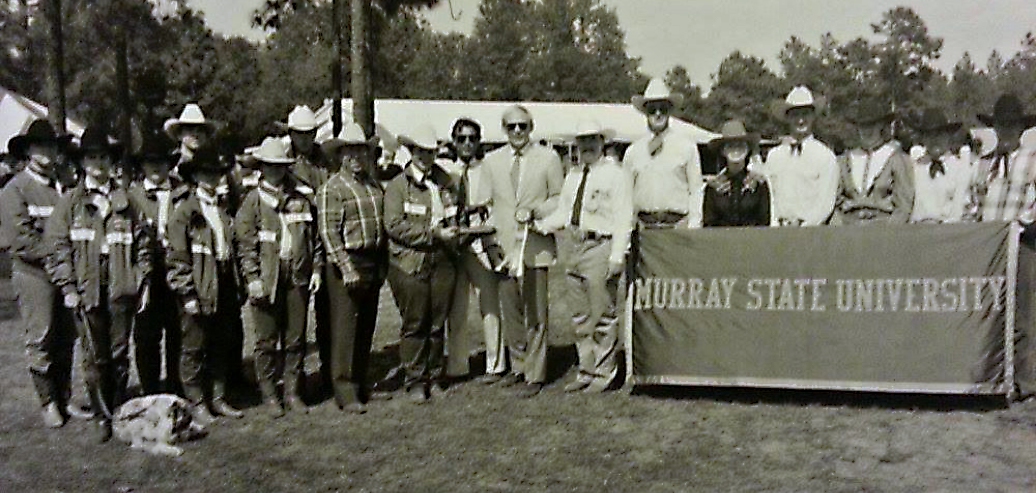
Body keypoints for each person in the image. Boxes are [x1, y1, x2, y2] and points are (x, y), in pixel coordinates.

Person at [45, 125, 152, 441]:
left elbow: (145, 243)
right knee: (94, 354)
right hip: (87, 285)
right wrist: (67, 287)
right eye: (91, 158)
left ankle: (118, 410)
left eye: (103, 157)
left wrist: (141, 281)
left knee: (119, 353)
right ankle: (101, 416)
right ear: (82, 163)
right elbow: (57, 246)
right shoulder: (70, 202)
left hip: (121, 284)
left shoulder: (128, 200)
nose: (98, 164)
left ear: (111, 160)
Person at [536, 119, 633, 393]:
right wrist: (540, 225)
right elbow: (566, 214)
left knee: (603, 313)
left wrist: (617, 255)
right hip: (574, 245)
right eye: (582, 141)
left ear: (603, 142)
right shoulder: (574, 175)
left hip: (600, 246)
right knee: (579, 315)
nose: (587, 145)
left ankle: (604, 373)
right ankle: (586, 369)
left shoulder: (615, 174)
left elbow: (624, 216)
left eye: (592, 139)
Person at [236, 137, 323, 418]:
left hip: (297, 274)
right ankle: (270, 393)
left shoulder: (300, 200)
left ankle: (292, 391)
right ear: (261, 168)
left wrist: (317, 269)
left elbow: (315, 239)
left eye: (280, 166)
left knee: (295, 338)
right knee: (266, 341)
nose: (275, 171)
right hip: (266, 277)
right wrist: (252, 278)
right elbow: (245, 245)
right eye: (269, 166)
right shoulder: (251, 203)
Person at [0, 120, 77, 428]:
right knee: (41, 336)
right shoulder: (14, 189)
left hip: (65, 275)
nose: (47, 152)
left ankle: (65, 396)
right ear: (29, 151)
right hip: (35, 275)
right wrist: (61, 259)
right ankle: (48, 403)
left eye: (52, 146)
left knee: (67, 337)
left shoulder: (64, 186)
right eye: (40, 146)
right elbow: (23, 242)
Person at [483, 105, 564, 398]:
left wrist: (535, 211)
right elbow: (486, 205)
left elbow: (558, 197)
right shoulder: (491, 161)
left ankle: (536, 372)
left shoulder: (549, 158)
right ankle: (518, 365)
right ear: (504, 129)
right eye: (512, 127)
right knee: (511, 309)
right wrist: (491, 244)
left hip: (536, 244)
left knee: (536, 310)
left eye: (523, 126)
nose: (517, 132)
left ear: (532, 127)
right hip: (504, 248)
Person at [166, 143, 245, 424]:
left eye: (216, 174)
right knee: (194, 346)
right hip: (199, 284)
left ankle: (219, 398)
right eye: (206, 174)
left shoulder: (223, 210)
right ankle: (197, 401)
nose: (212, 179)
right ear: (196, 176)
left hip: (223, 281)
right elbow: (177, 257)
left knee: (221, 343)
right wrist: (187, 293)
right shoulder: (185, 212)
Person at [384, 124, 460, 402]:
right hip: (409, 262)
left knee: (437, 321)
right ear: (411, 151)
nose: (425, 157)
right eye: (420, 151)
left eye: (430, 152)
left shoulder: (444, 180)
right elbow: (393, 225)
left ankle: (435, 375)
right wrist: (432, 234)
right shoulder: (397, 186)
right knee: (416, 321)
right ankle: (415, 379)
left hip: (443, 259)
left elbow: (454, 211)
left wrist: (457, 229)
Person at [317, 123, 386, 413]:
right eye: (350, 151)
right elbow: (329, 233)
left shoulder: (372, 185)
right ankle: (344, 390)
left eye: (360, 150)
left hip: (372, 259)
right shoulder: (331, 188)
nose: (355, 156)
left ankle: (359, 382)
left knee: (365, 326)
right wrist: (346, 267)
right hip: (349, 259)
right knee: (345, 327)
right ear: (340, 155)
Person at [442, 117, 507, 385]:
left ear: (479, 140)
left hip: (482, 244)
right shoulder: (445, 170)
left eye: (472, 138)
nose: (467, 144)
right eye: (461, 139)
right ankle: (457, 365)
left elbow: (496, 207)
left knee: (489, 306)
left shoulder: (489, 169)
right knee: (456, 310)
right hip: (455, 248)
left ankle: (496, 363)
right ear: (453, 142)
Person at [128, 131, 190, 396]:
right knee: (146, 335)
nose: (156, 167)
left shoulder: (183, 192)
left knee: (178, 330)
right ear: (141, 166)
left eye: (162, 162)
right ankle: (151, 390)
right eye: (150, 162)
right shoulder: (132, 196)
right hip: (147, 271)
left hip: (178, 269)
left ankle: (177, 387)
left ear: (170, 164)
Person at [626, 78, 703, 228]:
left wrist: (693, 225)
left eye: (663, 108)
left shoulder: (687, 147)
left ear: (670, 111)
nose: (658, 113)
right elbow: (626, 196)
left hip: (677, 225)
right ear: (645, 112)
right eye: (652, 109)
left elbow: (696, 190)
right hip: (644, 227)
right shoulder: (633, 151)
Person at [762, 86, 840, 226]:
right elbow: (770, 198)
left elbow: (825, 204)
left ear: (813, 116)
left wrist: (804, 228)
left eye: (805, 114)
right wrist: (774, 225)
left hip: (812, 233)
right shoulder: (774, 156)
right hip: (778, 232)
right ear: (787, 118)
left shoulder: (825, 156)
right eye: (795, 115)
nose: (800, 120)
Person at [833, 99, 914, 225]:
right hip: (849, 229)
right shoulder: (843, 161)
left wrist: (887, 231)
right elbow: (834, 204)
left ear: (881, 125)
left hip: (883, 229)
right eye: (862, 125)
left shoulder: (896, 159)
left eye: (872, 125)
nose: (867, 130)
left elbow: (904, 207)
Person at [966, 94, 1036, 223]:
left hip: (1021, 239)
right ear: (995, 127)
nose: (1007, 130)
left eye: (1012, 125)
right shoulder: (981, 164)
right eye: (1002, 124)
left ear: (1021, 128)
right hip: (987, 239)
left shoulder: (1032, 161)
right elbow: (970, 207)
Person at [908, 109, 973, 224]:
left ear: (948, 136)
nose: (934, 140)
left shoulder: (960, 168)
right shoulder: (914, 167)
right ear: (923, 138)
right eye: (929, 135)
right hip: (918, 232)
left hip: (949, 232)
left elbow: (962, 207)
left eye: (939, 134)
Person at [703, 120, 771, 227]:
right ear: (722, 151)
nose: (736, 150)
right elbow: (709, 223)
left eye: (740, 145)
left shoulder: (759, 184)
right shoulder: (713, 187)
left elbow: (764, 222)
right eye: (730, 146)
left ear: (748, 149)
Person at [280, 105, 328, 193]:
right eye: (299, 133)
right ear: (291, 134)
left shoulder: (327, 159)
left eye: (308, 133)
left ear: (315, 134)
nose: (304, 138)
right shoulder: (283, 163)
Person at [164, 103, 218, 173]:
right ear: (179, 134)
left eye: (200, 130)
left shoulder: (214, 164)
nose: (196, 134)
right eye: (190, 129)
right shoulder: (169, 165)